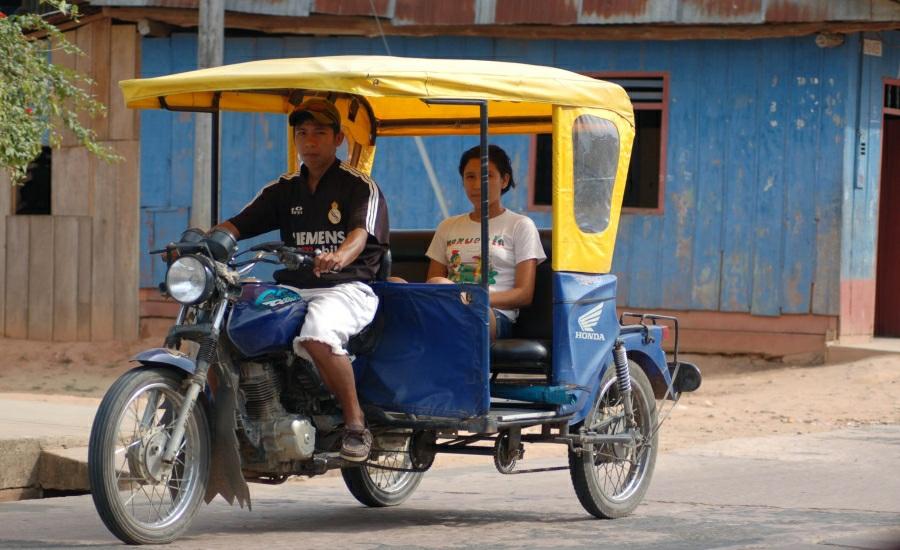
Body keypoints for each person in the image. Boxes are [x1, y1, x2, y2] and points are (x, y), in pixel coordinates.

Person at [213, 98, 389, 462]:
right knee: (232, 326)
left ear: (338, 138)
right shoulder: (284, 189)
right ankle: (242, 418)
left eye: (320, 133)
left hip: (347, 287)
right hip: (293, 288)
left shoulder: (359, 186)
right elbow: (238, 224)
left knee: (317, 335)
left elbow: (360, 233)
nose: (309, 141)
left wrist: (339, 255)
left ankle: (356, 424)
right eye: (302, 133)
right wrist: (202, 242)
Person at [425, 144, 546, 340]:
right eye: (469, 177)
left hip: (493, 316)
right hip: (447, 310)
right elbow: (432, 284)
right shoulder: (447, 226)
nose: (477, 185)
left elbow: (524, 294)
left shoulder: (520, 225)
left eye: (487, 176)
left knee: (472, 316)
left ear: (504, 180)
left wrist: (474, 299)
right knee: (396, 285)